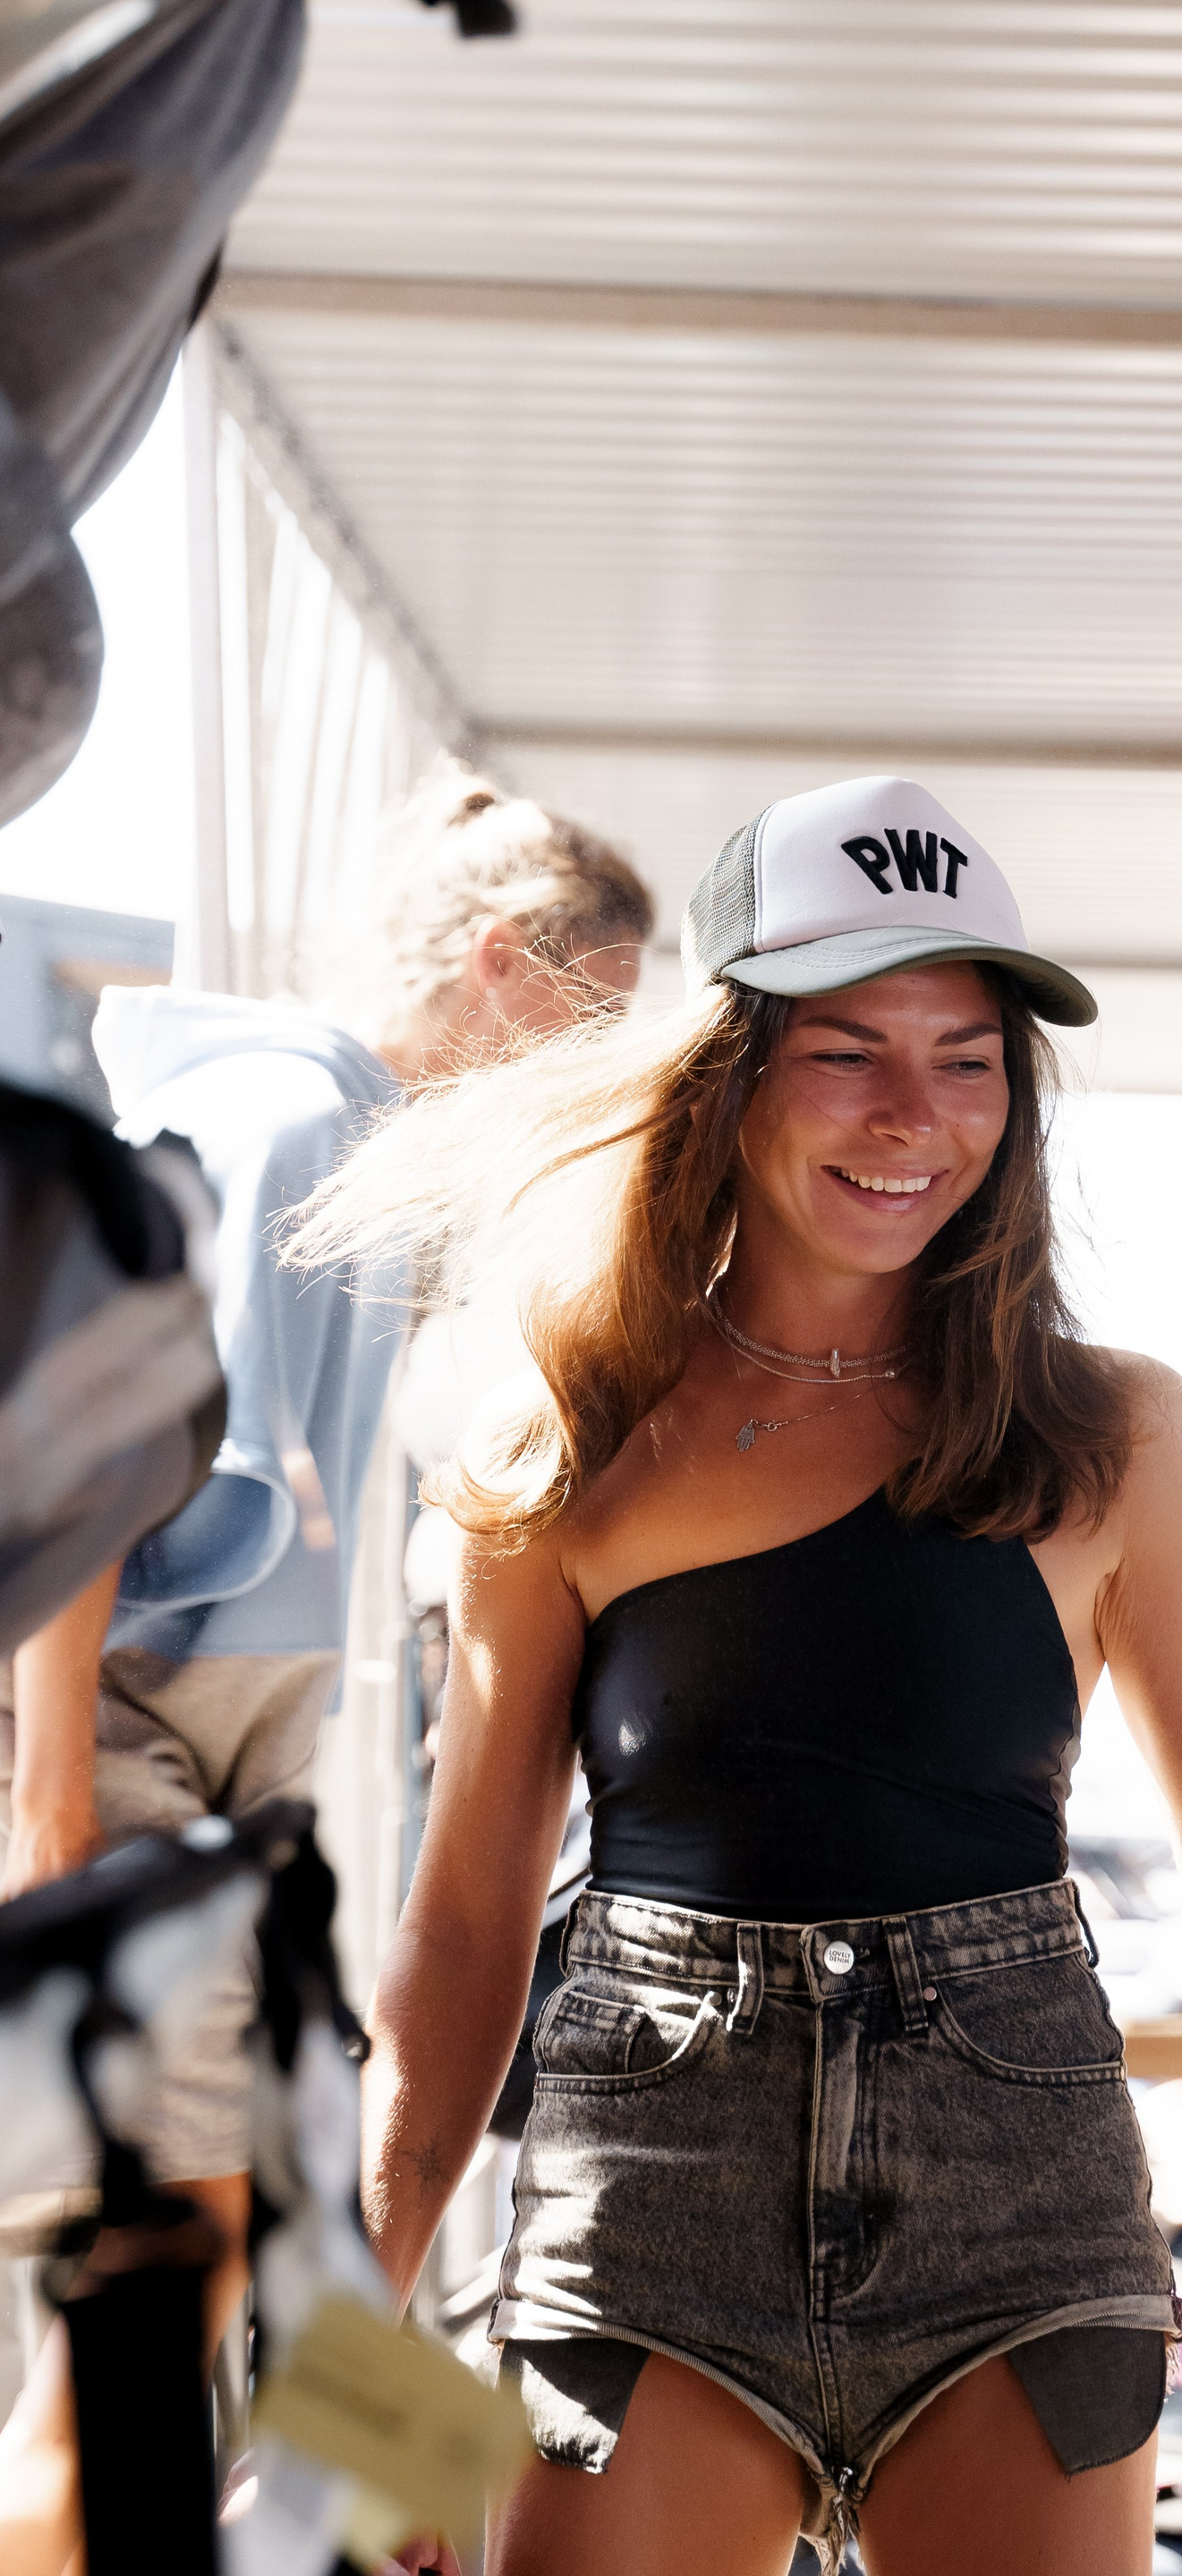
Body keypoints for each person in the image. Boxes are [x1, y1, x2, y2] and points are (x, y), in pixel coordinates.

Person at [297, 774, 1182, 2576]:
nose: (915, 1114)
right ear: (732, 1074)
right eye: (848, 1052)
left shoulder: (1114, 1438)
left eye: (967, 1058)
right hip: (649, 2204)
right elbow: (461, 1932)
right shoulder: (569, 1444)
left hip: (1021, 2212)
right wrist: (345, 2385)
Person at [0, 767, 652, 2576]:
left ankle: (372, 2493)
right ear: (505, 962)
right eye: (597, 1009)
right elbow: (89, 1465)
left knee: (219, 2275)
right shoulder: (288, 1118)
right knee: (139, 2336)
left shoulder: (342, 1138)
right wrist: (51, 1809)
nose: (600, 1062)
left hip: (214, 1759)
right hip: (128, 1741)